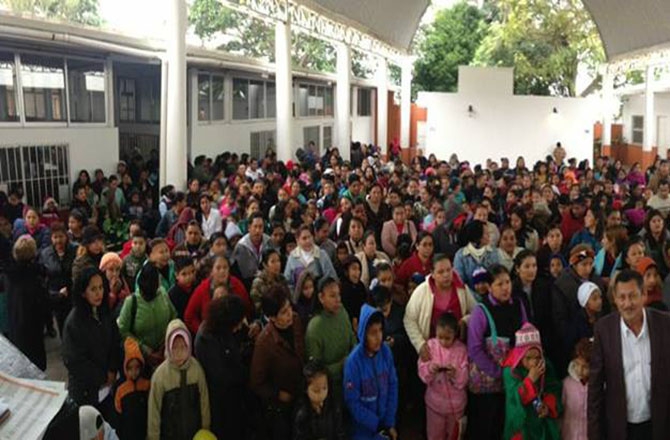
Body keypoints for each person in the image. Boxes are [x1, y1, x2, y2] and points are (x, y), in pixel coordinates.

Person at [588, 269, 670, 440]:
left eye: (632, 296)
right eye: (622, 297)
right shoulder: (604, 330)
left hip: (660, 425)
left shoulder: (664, 324)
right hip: (620, 428)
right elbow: (595, 388)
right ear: (615, 299)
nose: (627, 304)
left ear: (644, 295)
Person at [467, 264, 527, 440]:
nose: (505, 288)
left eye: (507, 282)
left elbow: (526, 334)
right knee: (487, 428)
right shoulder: (480, 311)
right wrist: (499, 372)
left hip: (513, 380)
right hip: (488, 386)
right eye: (499, 284)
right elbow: (474, 349)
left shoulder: (518, 304)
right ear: (489, 287)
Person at [250, 286, 305, 439]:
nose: (290, 314)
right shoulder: (264, 342)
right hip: (280, 408)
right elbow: (256, 382)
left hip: (300, 393)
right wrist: (278, 394)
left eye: (289, 308)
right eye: (283, 312)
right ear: (272, 317)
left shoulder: (296, 321)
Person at [62, 267, 120, 407]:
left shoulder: (104, 311)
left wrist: (112, 369)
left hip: (108, 385)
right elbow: (74, 361)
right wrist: (103, 377)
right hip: (86, 392)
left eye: (101, 287)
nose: (99, 293)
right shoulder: (74, 323)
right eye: (93, 289)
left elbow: (115, 340)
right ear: (83, 292)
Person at [194, 296, 249, 439]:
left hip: (234, 399)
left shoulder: (222, 329)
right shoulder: (206, 339)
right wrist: (244, 373)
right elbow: (221, 376)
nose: (239, 327)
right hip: (219, 403)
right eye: (237, 324)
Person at [404, 254, 476, 361]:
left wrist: (465, 321)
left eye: (449, 270)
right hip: (431, 353)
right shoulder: (422, 291)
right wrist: (420, 344)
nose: (446, 275)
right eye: (441, 272)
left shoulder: (462, 289)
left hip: (459, 352)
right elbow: (409, 319)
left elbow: (477, 313)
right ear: (432, 274)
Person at [148, 319, 211, 440]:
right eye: (175, 348)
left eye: (183, 347)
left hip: (194, 434)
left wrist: (205, 428)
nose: (179, 353)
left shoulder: (197, 370)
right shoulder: (160, 376)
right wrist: (153, 437)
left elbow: (204, 402)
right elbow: (154, 412)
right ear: (168, 347)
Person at [343, 304, 399, 440]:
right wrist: (377, 424)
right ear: (363, 334)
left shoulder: (386, 352)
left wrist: (389, 422)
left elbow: (393, 386)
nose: (378, 337)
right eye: (373, 333)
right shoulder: (353, 362)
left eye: (380, 330)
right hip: (362, 430)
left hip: (385, 426)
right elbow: (352, 402)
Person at [552, 245, 608, 376]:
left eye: (590, 264)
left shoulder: (596, 280)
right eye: (584, 264)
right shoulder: (562, 285)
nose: (588, 268)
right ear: (574, 264)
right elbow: (560, 319)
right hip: (574, 341)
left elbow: (605, 308)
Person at [502, 323, 562, 440]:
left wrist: (547, 407)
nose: (533, 362)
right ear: (520, 355)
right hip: (522, 425)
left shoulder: (546, 366)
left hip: (541, 423)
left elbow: (554, 388)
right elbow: (513, 399)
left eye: (537, 357)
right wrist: (530, 380)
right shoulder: (511, 371)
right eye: (528, 358)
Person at [417, 312, 468, 440]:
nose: (443, 341)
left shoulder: (461, 350)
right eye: (440, 337)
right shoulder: (430, 346)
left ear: (455, 334)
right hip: (434, 404)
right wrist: (430, 369)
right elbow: (422, 371)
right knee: (434, 435)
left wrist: (456, 374)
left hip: (456, 406)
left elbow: (465, 377)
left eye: (447, 338)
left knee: (454, 435)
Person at [305, 277, 356, 404]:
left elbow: (351, 337)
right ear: (321, 298)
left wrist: (354, 355)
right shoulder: (315, 327)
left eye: (339, 295)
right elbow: (315, 371)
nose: (338, 299)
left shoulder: (342, 311)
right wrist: (341, 365)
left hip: (352, 376)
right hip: (330, 389)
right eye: (332, 296)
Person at [117, 263, 177, 370]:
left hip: (165, 352)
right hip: (140, 361)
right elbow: (122, 330)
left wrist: (165, 343)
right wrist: (144, 349)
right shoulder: (131, 302)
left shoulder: (163, 294)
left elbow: (173, 317)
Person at [5, 235, 48, 370]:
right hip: (32, 329)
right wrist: (60, 296)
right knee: (36, 365)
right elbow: (45, 301)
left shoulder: (9, 275)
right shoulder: (33, 277)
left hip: (15, 326)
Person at [184, 255, 252, 335]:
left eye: (225, 268)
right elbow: (189, 316)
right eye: (218, 268)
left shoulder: (237, 285)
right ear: (211, 271)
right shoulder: (202, 289)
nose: (222, 271)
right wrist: (202, 331)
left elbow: (247, 308)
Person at [39, 222, 77, 338]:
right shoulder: (46, 254)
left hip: (73, 295)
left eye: (61, 236)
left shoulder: (75, 250)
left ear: (66, 236)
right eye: (55, 237)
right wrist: (54, 294)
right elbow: (43, 276)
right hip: (56, 296)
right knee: (62, 326)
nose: (58, 240)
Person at [293, 360, 347, 440]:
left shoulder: (334, 406)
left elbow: (340, 433)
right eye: (316, 391)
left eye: (324, 388)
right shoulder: (302, 414)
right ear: (306, 389)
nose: (321, 394)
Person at [114, 337, 151, 440]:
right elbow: (118, 414)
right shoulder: (120, 389)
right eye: (130, 368)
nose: (134, 372)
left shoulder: (147, 385)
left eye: (137, 367)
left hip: (144, 432)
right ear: (125, 367)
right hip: (127, 433)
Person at [284, 225, 338, 291]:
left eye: (309, 237)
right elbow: (287, 281)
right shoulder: (292, 257)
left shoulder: (322, 254)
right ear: (297, 240)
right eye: (304, 238)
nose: (308, 241)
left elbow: (331, 276)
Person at [231, 212, 274, 290]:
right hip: (248, 283)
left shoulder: (269, 241)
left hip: (268, 280)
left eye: (260, 227)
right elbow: (246, 273)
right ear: (249, 228)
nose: (258, 230)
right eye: (255, 226)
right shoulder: (242, 246)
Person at [453, 220, 499, 289]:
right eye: (486, 233)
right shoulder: (461, 255)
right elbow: (459, 281)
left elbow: (497, 276)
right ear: (477, 236)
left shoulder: (493, 252)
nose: (489, 235)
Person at [561, 338, 591, 440]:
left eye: (585, 367)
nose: (580, 370)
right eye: (577, 364)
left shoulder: (597, 386)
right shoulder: (566, 384)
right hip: (569, 434)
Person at [250, 248, 289, 317]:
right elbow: (258, 307)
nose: (277, 264)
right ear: (265, 265)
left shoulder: (282, 278)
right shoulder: (258, 283)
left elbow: (288, 298)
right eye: (273, 262)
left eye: (278, 261)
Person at [340, 255, 368, 331]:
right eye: (354, 269)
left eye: (359, 269)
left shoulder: (360, 286)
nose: (357, 272)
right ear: (346, 271)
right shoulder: (342, 288)